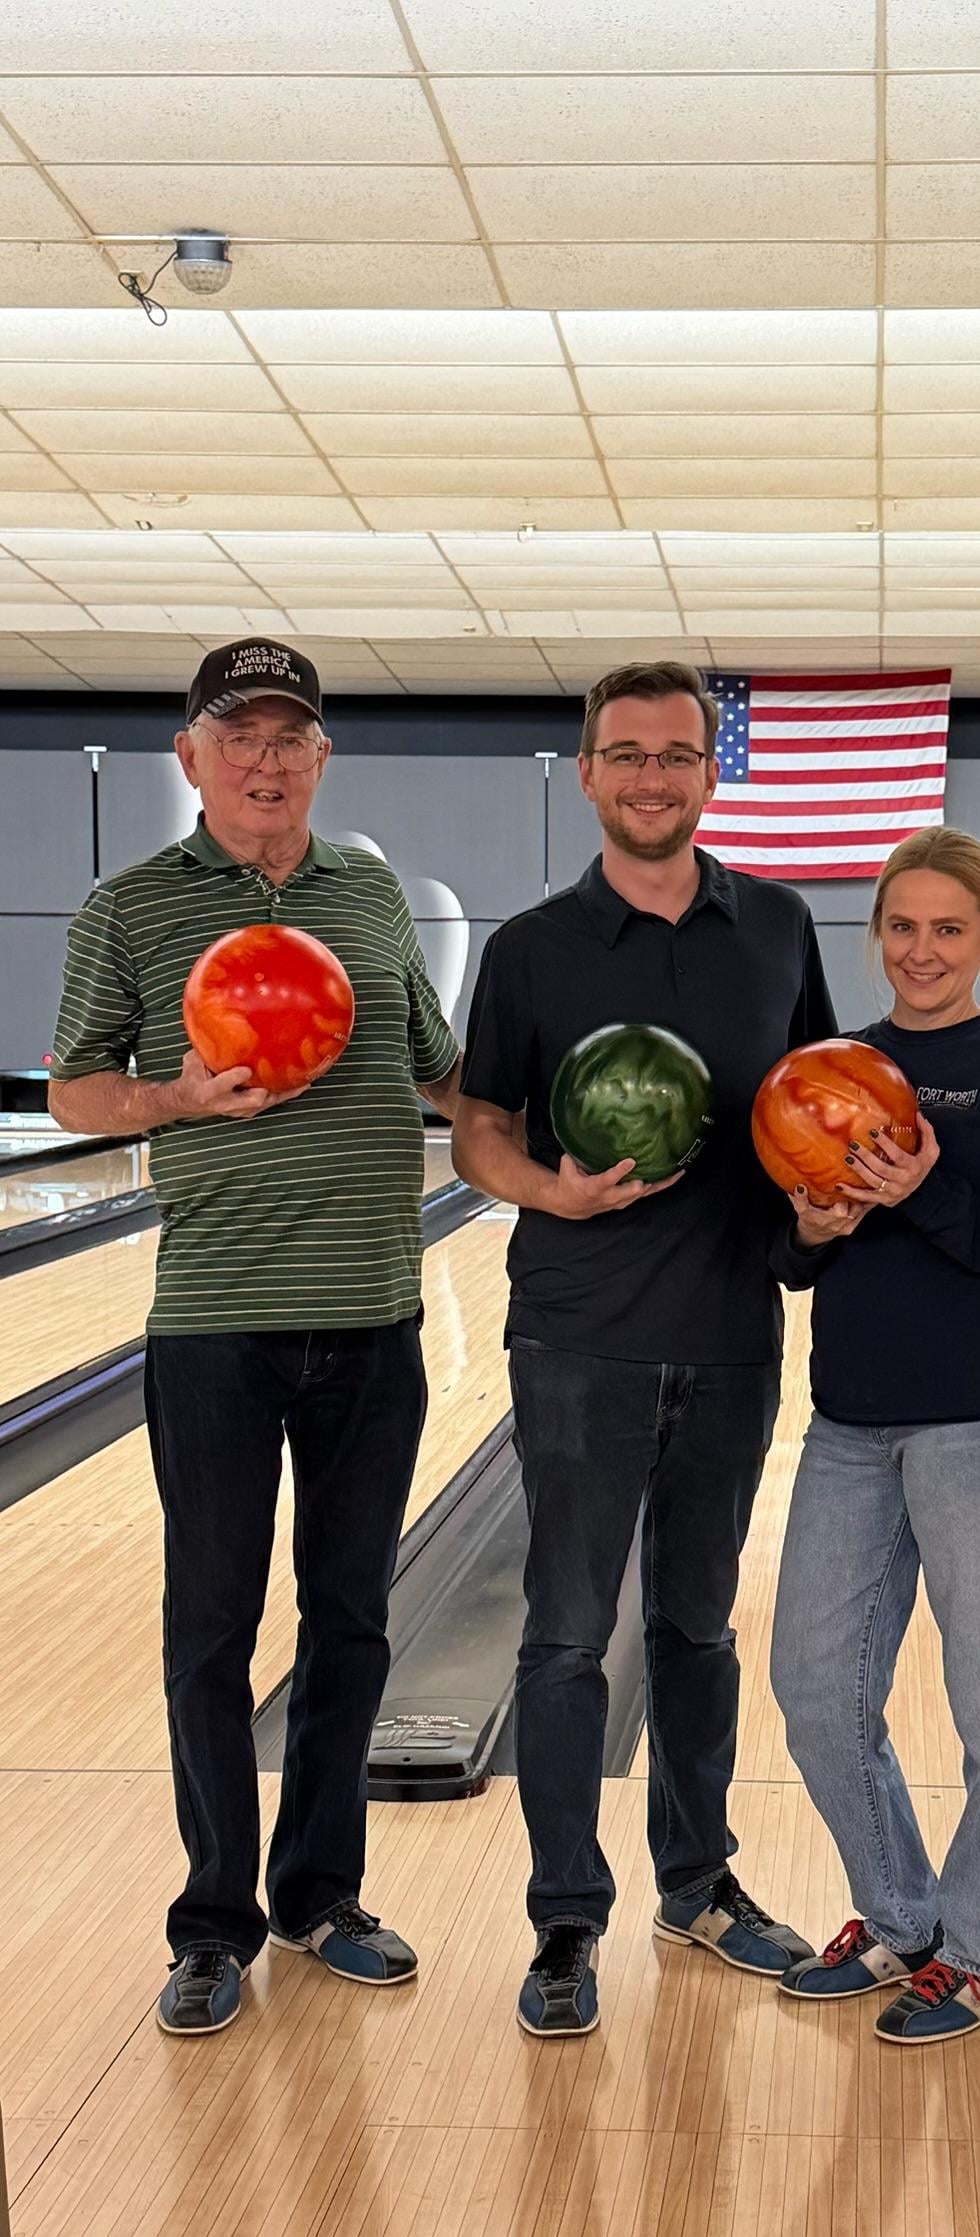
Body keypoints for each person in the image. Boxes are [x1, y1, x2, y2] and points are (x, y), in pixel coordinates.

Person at [49, 640, 461, 2037]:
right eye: (241, 734)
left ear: (322, 758)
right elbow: (75, 1086)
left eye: (291, 736)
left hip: (373, 1311)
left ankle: (322, 1893)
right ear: (192, 754)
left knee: (351, 1619)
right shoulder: (131, 908)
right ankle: (214, 1918)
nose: (267, 759)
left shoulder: (370, 890)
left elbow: (437, 1061)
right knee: (211, 1627)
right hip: (216, 1319)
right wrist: (174, 1095)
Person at [452, 659, 837, 2038]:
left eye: (678, 753)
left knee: (694, 1626)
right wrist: (545, 1186)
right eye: (627, 754)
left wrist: (828, 1194)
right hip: (579, 1337)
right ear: (589, 771)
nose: (653, 776)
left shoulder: (780, 925)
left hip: (732, 1333)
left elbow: (815, 1105)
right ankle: (566, 1918)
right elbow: (482, 1123)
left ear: (709, 771)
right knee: (565, 1635)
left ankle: (701, 1882)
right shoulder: (535, 945)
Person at [767, 827, 980, 2045]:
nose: (922, 950)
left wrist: (927, 1196)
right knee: (811, 1683)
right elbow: (785, 1261)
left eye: (949, 928)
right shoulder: (829, 1069)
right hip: (850, 1422)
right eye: (902, 926)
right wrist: (813, 1226)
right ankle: (903, 1916)